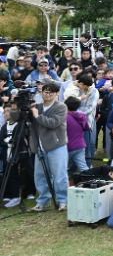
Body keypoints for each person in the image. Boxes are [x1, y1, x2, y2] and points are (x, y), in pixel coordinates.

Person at [29, 83, 69, 211]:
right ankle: (43, 201)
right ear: (41, 93)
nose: (48, 94)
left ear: (57, 93)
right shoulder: (37, 106)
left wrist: (37, 116)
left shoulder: (61, 107)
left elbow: (53, 123)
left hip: (56, 146)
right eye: (45, 91)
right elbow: (17, 118)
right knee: (40, 175)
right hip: (40, 147)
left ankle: (63, 200)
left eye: (51, 92)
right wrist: (17, 107)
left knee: (59, 175)